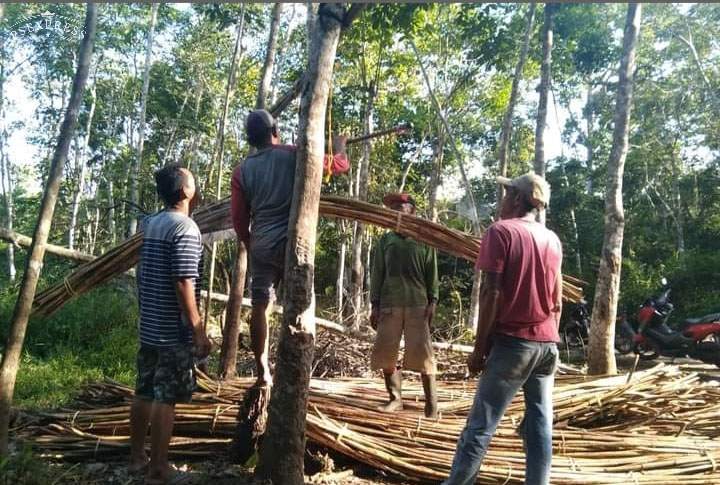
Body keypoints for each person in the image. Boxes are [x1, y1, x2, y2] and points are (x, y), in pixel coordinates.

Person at [443, 172, 563, 485]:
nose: (503, 199)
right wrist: (548, 336)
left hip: (513, 344)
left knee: (481, 424)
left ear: (518, 199)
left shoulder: (500, 232)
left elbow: (491, 292)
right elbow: (557, 301)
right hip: (548, 345)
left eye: (507, 193)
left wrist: (479, 349)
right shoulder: (552, 239)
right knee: (540, 422)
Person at [129, 164, 212, 484]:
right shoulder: (186, 229)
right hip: (171, 333)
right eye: (192, 177)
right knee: (166, 397)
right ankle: (159, 469)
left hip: (149, 327)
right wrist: (198, 329)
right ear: (185, 191)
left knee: (144, 391)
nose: (195, 182)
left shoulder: (150, 224)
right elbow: (183, 283)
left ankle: (137, 458)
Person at [230, 109, 296, 387]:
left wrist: (250, 242)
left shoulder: (242, 171)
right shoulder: (293, 154)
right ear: (275, 131)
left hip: (262, 245)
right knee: (299, 303)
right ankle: (293, 370)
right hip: (295, 244)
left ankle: (262, 372)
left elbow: (238, 218)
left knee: (260, 307)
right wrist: (339, 148)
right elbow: (337, 165)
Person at [370, 193, 440, 419]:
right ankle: (395, 399)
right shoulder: (385, 241)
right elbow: (377, 272)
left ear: (412, 211)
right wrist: (375, 304)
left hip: (417, 304)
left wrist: (433, 300)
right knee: (386, 352)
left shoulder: (424, 240)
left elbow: (432, 272)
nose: (397, 211)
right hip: (390, 303)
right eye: (394, 208)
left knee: (423, 355)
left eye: (402, 207)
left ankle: (432, 405)